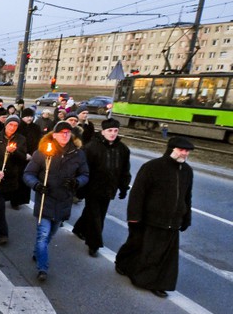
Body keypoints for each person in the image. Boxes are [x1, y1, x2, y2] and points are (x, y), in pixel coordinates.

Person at [115, 136, 194, 298]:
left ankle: (158, 283)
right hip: (150, 219)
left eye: (187, 151)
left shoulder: (187, 171)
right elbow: (138, 194)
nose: (184, 154)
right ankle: (127, 266)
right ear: (171, 150)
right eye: (181, 150)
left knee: (165, 257)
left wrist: (186, 217)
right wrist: (134, 217)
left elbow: (187, 196)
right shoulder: (152, 167)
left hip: (173, 222)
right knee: (142, 248)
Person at [23, 121, 90, 281]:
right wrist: (37, 185)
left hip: (63, 202)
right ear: (54, 135)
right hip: (46, 200)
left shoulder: (78, 154)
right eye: (62, 133)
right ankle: (42, 269)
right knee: (43, 235)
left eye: (68, 133)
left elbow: (85, 174)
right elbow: (28, 174)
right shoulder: (43, 152)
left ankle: (38, 252)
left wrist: (77, 182)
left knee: (50, 234)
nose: (65, 135)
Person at [71, 118, 131, 256]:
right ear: (103, 131)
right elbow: (82, 169)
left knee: (94, 213)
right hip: (92, 188)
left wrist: (124, 187)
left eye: (116, 131)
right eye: (110, 130)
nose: (113, 133)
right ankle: (94, 244)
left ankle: (79, 228)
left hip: (109, 188)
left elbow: (124, 170)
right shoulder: (91, 147)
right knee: (97, 217)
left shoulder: (122, 149)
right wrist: (79, 187)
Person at [0, 115, 28, 245]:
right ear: (5, 125)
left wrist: (13, 152)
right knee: (0, 205)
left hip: (10, 179)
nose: (12, 128)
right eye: (10, 125)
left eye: (15, 126)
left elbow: (23, 158)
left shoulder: (21, 139)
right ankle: (3, 234)